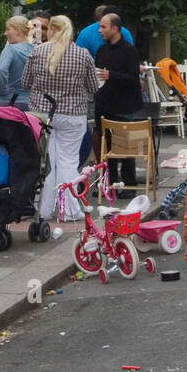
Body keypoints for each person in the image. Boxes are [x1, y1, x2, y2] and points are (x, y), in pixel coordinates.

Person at [24, 15, 99, 222]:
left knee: (46, 162)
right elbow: (93, 87)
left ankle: (44, 210)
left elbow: (25, 83)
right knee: (68, 162)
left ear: (51, 30)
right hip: (72, 114)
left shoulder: (37, 52)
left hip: (42, 115)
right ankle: (69, 210)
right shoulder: (83, 55)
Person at [93, 12, 143, 187]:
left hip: (123, 105)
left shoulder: (129, 51)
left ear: (115, 28)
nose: (100, 30)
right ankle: (109, 180)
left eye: (103, 26)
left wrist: (111, 75)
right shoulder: (102, 50)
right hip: (104, 103)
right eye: (99, 26)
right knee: (105, 145)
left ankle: (129, 184)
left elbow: (133, 78)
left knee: (124, 145)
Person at [0, 16, 33, 106]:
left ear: (18, 31)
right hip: (29, 102)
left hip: (7, 101)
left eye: (8, 29)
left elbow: (1, 69)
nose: (5, 33)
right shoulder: (36, 50)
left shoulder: (10, 50)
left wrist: (2, 91)